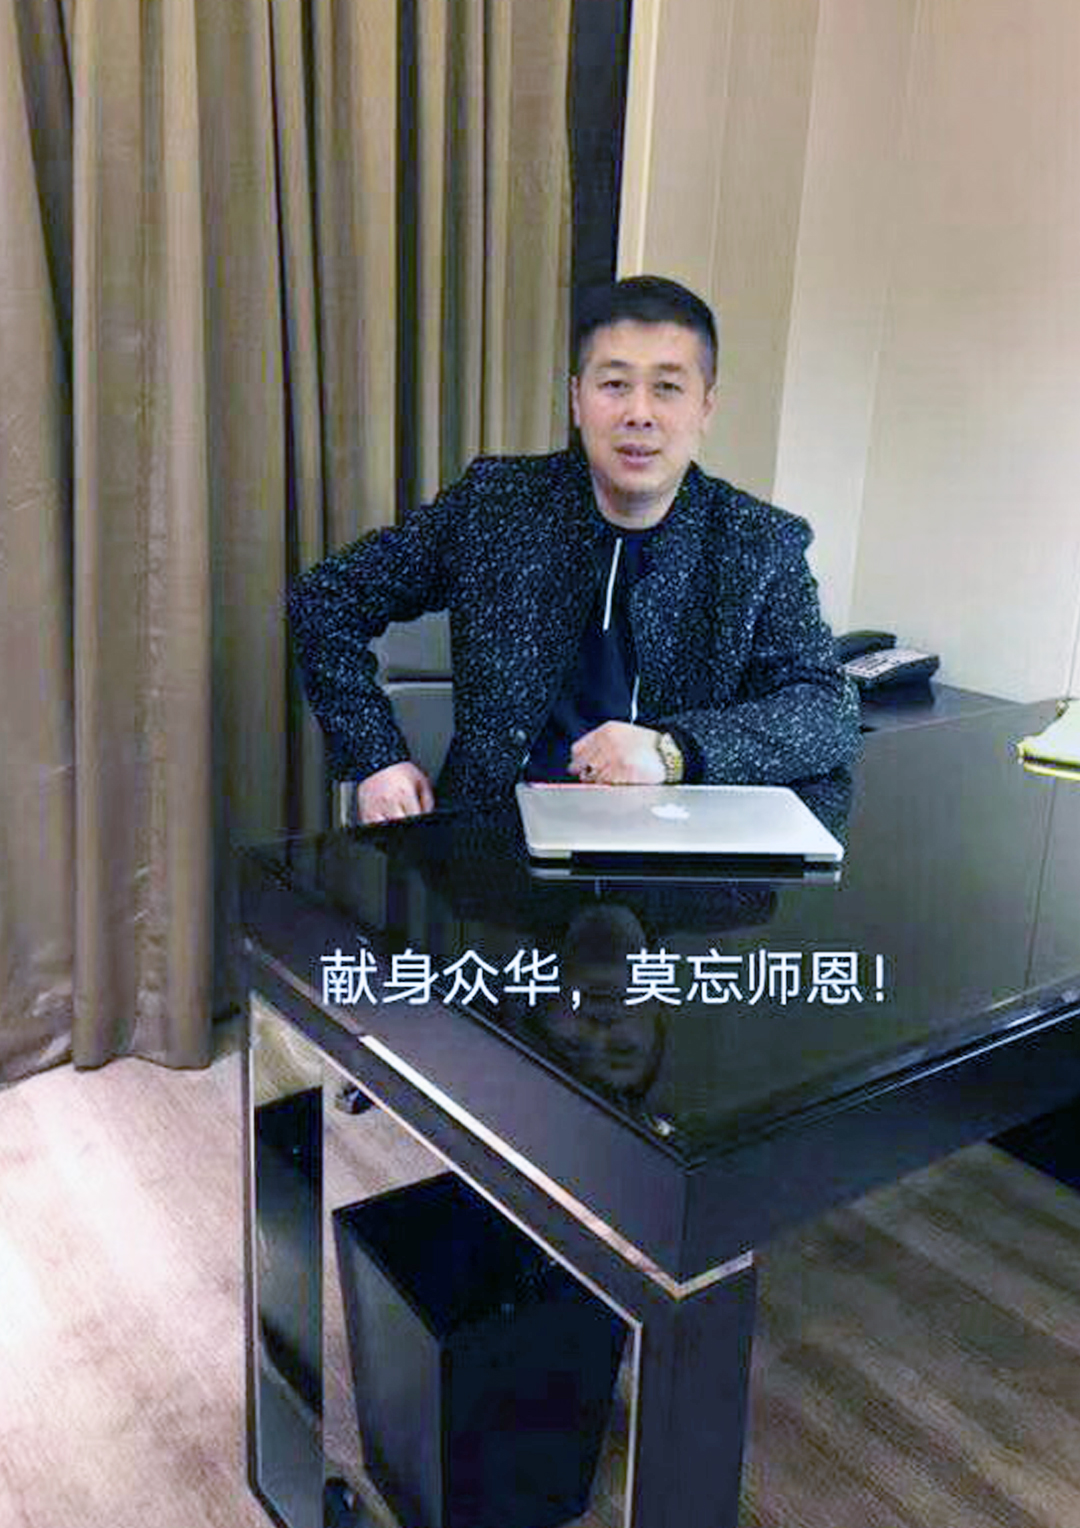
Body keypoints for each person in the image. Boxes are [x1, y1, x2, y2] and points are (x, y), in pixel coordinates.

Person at [288, 275, 859, 824]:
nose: (639, 413)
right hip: (494, 843)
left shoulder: (758, 542)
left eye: (667, 388)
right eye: (614, 385)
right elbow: (325, 599)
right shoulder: (495, 505)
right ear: (577, 400)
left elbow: (828, 710)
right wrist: (375, 757)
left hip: (678, 851)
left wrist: (673, 752)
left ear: (705, 408)